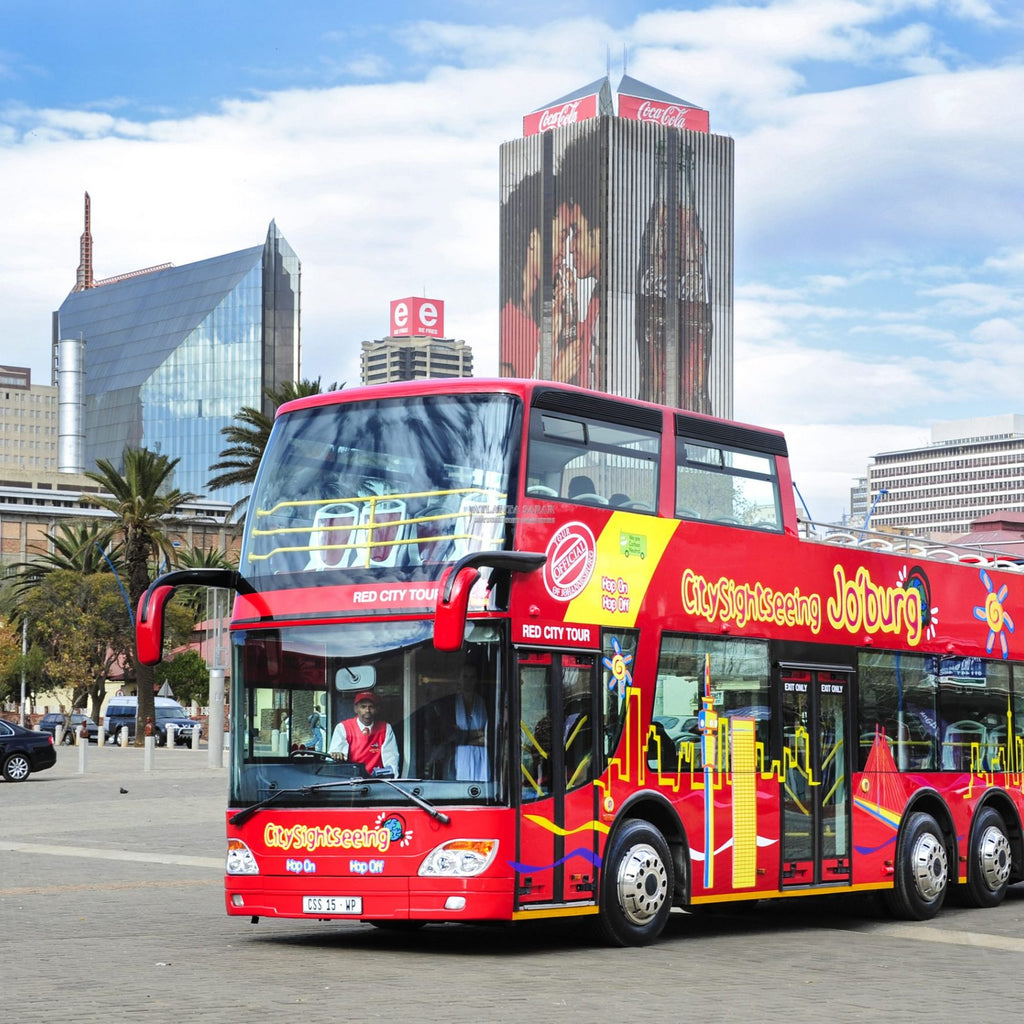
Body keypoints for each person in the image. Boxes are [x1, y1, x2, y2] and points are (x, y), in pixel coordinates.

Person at [328, 691, 400, 776]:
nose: (367, 710)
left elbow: (391, 760)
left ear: (377, 709)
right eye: (363, 707)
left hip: (377, 781)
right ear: (356, 709)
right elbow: (335, 755)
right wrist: (337, 755)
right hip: (351, 781)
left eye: (371, 707)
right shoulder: (343, 727)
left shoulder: (385, 728)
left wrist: (390, 775)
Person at [452, 664, 489, 782]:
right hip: (460, 756)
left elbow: (488, 735)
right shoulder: (452, 702)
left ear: (476, 680)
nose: (468, 681)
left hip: (481, 756)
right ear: (459, 679)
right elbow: (453, 736)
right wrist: (478, 735)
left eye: (472, 677)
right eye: (465, 677)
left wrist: (464, 737)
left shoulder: (482, 702)